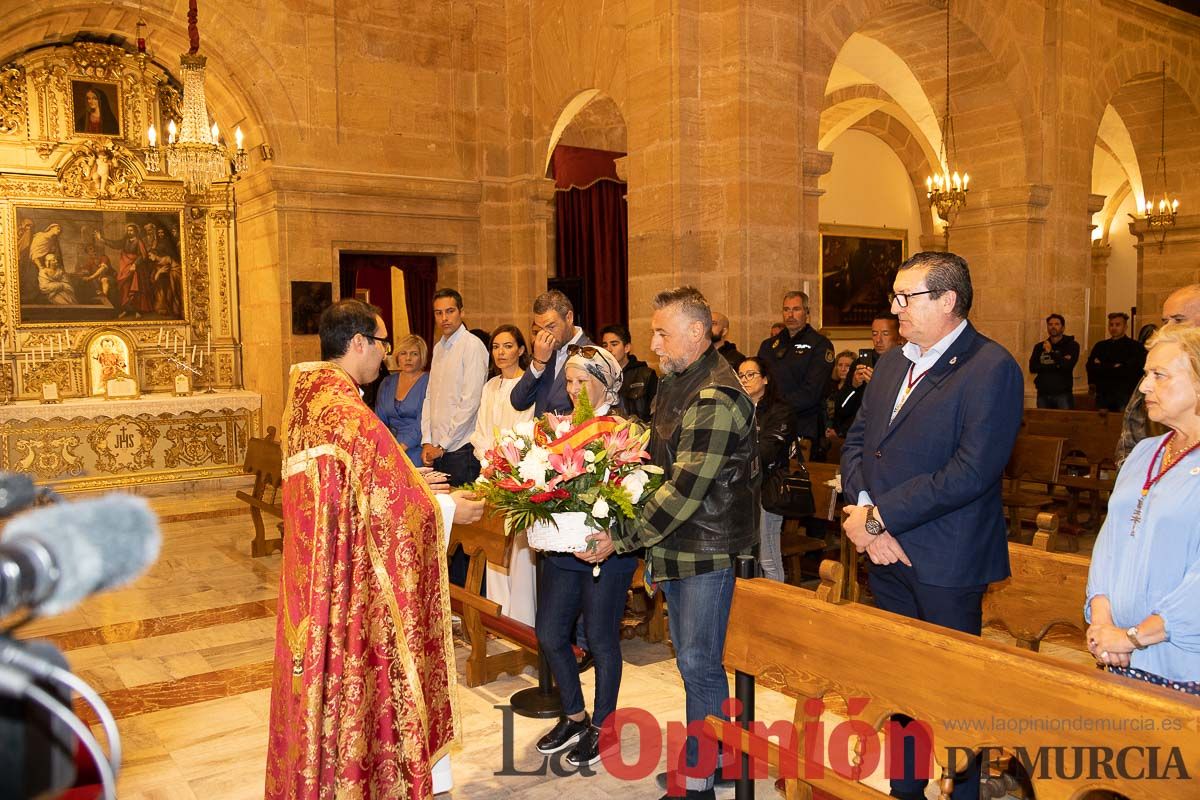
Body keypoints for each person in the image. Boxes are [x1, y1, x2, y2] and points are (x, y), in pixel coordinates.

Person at [266, 298, 485, 800]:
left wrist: (413, 478)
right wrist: (451, 510)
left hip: (314, 582)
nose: (386, 356)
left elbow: (358, 490)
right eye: (383, 343)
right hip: (345, 590)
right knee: (358, 676)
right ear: (359, 342)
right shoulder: (348, 416)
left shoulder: (306, 402)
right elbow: (395, 508)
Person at [840, 251, 1023, 800]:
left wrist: (880, 517)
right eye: (894, 297)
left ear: (948, 300)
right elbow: (858, 442)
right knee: (902, 687)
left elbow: (971, 471)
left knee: (951, 696)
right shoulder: (896, 361)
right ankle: (907, 789)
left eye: (905, 297)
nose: (894, 309)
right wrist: (868, 518)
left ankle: (962, 793)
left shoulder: (991, 367)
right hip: (885, 551)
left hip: (946, 558)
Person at [581, 286, 758, 800]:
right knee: (693, 662)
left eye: (662, 332)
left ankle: (699, 780)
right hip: (679, 546)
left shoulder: (716, 396)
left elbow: (683, 490)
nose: (653, 344)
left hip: (707, 550)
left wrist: (621, 539)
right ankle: (717, 759)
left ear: (698, 334)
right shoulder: (677, 382)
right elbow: (657, 454)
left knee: (699, 663)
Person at [533, 344, 638, 769]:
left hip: (605, 553)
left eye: (583, 382)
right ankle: (575, 715)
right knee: (549, 633)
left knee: (600, 639)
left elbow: (634, 494)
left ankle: (604, 726)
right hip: (563, 549)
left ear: (605, 383)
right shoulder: (560, 428)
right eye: (570, 381)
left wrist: (610, 530)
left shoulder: (622, 431)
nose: (574, 390)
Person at [1085, 323, 1200, 694]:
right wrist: (1103, 623)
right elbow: (1109, 541)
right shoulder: (1144, 452)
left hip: (1181, 662)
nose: (1145, 386)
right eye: (1145, 374)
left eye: (1159, 375)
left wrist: (1133, 637)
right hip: (1117, 652)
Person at [470, 324, 537, 626]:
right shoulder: (490, 386)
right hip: (491, 470)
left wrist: (508, 461)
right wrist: (489, 459)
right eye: (496, 346)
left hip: (519, 473)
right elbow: (481, 431)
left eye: (508, 346)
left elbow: (527, 429)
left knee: (519, 551)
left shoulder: (527, 385)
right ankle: (497, 617)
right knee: (494, 544)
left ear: (521, 350)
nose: (501, 352)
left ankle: (522, 620)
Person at [1116, 284, 1200, 465]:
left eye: (1178, 320)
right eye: (1164, 322)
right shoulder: (1156, 371)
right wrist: (1129, 472)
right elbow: (1132, 429)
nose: (1166, 330)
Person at [420, 288, 489, 486]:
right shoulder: (439, 347)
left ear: (462, 312)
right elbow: (429, 397)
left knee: (464, 514)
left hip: (461, 449)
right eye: (438, 313)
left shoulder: (472, 346)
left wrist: (442, 445)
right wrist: (427, 440)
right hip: (437, 449)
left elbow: (470, 402)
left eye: (450, 311)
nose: (444, 318)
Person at [737, 357, 794, 582]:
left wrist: (734, 455)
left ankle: (778, 608)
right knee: (746, 557)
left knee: (768, 556)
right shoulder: (736, 408)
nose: (745, 380)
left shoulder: (780, 410)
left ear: (766, 378)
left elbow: (768, 450)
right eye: (741, 376)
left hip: (767, 488)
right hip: (741, 489)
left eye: (750, 374)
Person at [756, 291, 833, 453]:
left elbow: (812, 392)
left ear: (807, 312)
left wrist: (775, 406)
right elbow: (759, 381)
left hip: (803, 425)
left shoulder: (820, 345)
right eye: (786, 309)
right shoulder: (768, 345)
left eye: (796, 309)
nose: (790, 315)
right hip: (769, 424)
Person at [510, 289, 593, 416]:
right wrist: (538, 362)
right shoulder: (545, 352)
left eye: (551, 327)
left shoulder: (591, 353)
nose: (545, 335)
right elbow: (519, 402)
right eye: (540, 329)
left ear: (569, 318)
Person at [828, 314, 903, 438]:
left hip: (890, 434)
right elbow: (841, 409)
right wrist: (853, 386)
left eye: (885, 334)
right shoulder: (861, 364)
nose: (878, 340)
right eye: (874, 334)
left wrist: (877, 385)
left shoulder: (905, 364)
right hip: (859, 434)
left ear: (899, 335)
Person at [375, 333, 430, 454]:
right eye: (403, 353)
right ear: (397, 356)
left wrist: (402, 447)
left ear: (422, 357)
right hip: (388, 446)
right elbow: (379, 420)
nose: (408, 358)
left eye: (414, 354)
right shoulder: (387, 382)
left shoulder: (429, 382)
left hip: (418, 448)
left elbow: (425, 421)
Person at [1086, 312, 1146, 412]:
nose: (1113, 328)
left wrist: (1102, 366)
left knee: (1122, 424)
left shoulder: (1134, 347)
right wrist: (1114, 366)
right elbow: (1090, 367)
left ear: (1125, 326)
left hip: (1124, 394)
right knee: (1100, 425)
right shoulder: (1100, 346)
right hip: (1103, 395)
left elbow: (1131, 370)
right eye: (1111, 324)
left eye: (1117, 325)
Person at [599, 323, 658, 422]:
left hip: (639, 432)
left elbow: (656, 415)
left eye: (614, 344)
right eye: (605, 345)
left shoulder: (645, 374)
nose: (608, 349)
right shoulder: (600, 376)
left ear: (627, 348)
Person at [1028, 312, 1080, 409]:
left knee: (1064, 423)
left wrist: (1051, 352)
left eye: (1057, 324)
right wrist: (1057, 365)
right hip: (1043, 394)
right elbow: (1033, 367)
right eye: (1050, 324)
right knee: (1043, 423)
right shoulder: (1039, 346)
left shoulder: (1072, 345)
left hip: (1063, 395)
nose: (1053, 327)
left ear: (1063, 327)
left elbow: (1067, 366)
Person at [823, 350, 856, 440]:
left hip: (847, 436)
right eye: (840, 365)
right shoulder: (829, 387)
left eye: (847, 366)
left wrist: (839, 432)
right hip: (825, 434)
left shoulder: (857, 389)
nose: (843, 369)